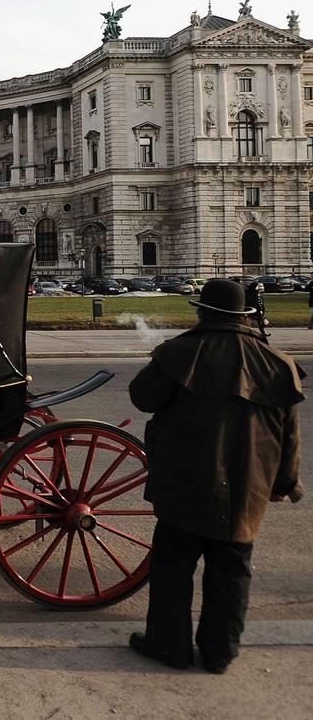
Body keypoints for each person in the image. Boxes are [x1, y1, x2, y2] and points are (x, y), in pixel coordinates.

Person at [127, 278, 302, 674]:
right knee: (232, 570)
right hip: (247, 489)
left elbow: (142, 397)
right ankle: (220, 651)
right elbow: (289, 436)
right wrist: (286, 483)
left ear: (203, 312)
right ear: (244, 316)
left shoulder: (180, 353)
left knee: (173, 565)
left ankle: (169, 644)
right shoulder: (278, 363)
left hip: (184, 482)